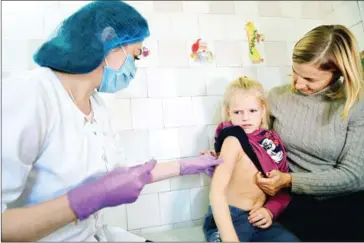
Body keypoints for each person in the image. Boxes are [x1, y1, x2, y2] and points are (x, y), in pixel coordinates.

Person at [1, 1, 223, 242]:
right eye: (135, 57)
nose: (133, 70)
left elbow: (124, 177)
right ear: (109, 42)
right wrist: (81, 201)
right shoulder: (29, 94)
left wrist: (190, 165)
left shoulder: (97, 108)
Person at [256, 24, 364, 242]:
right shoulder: (277, 97)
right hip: (291, 203)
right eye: (295, 71)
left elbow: (355, 176)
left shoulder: (356, 104)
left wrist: (289, 180)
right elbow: (253, 138)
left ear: (338, 73)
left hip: (344, 205)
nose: (297, 84)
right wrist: (222, 149)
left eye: (310, 79)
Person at [201, 77, 299, 242]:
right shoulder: (232, 140)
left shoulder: (271, 142)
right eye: (237, 112)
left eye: (252, 111)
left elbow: (282, 186)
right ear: (228, 113)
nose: (245, 118)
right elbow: (216, 193)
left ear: (262, 110)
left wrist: (269, 210)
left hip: (260, 218)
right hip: (231, 217)